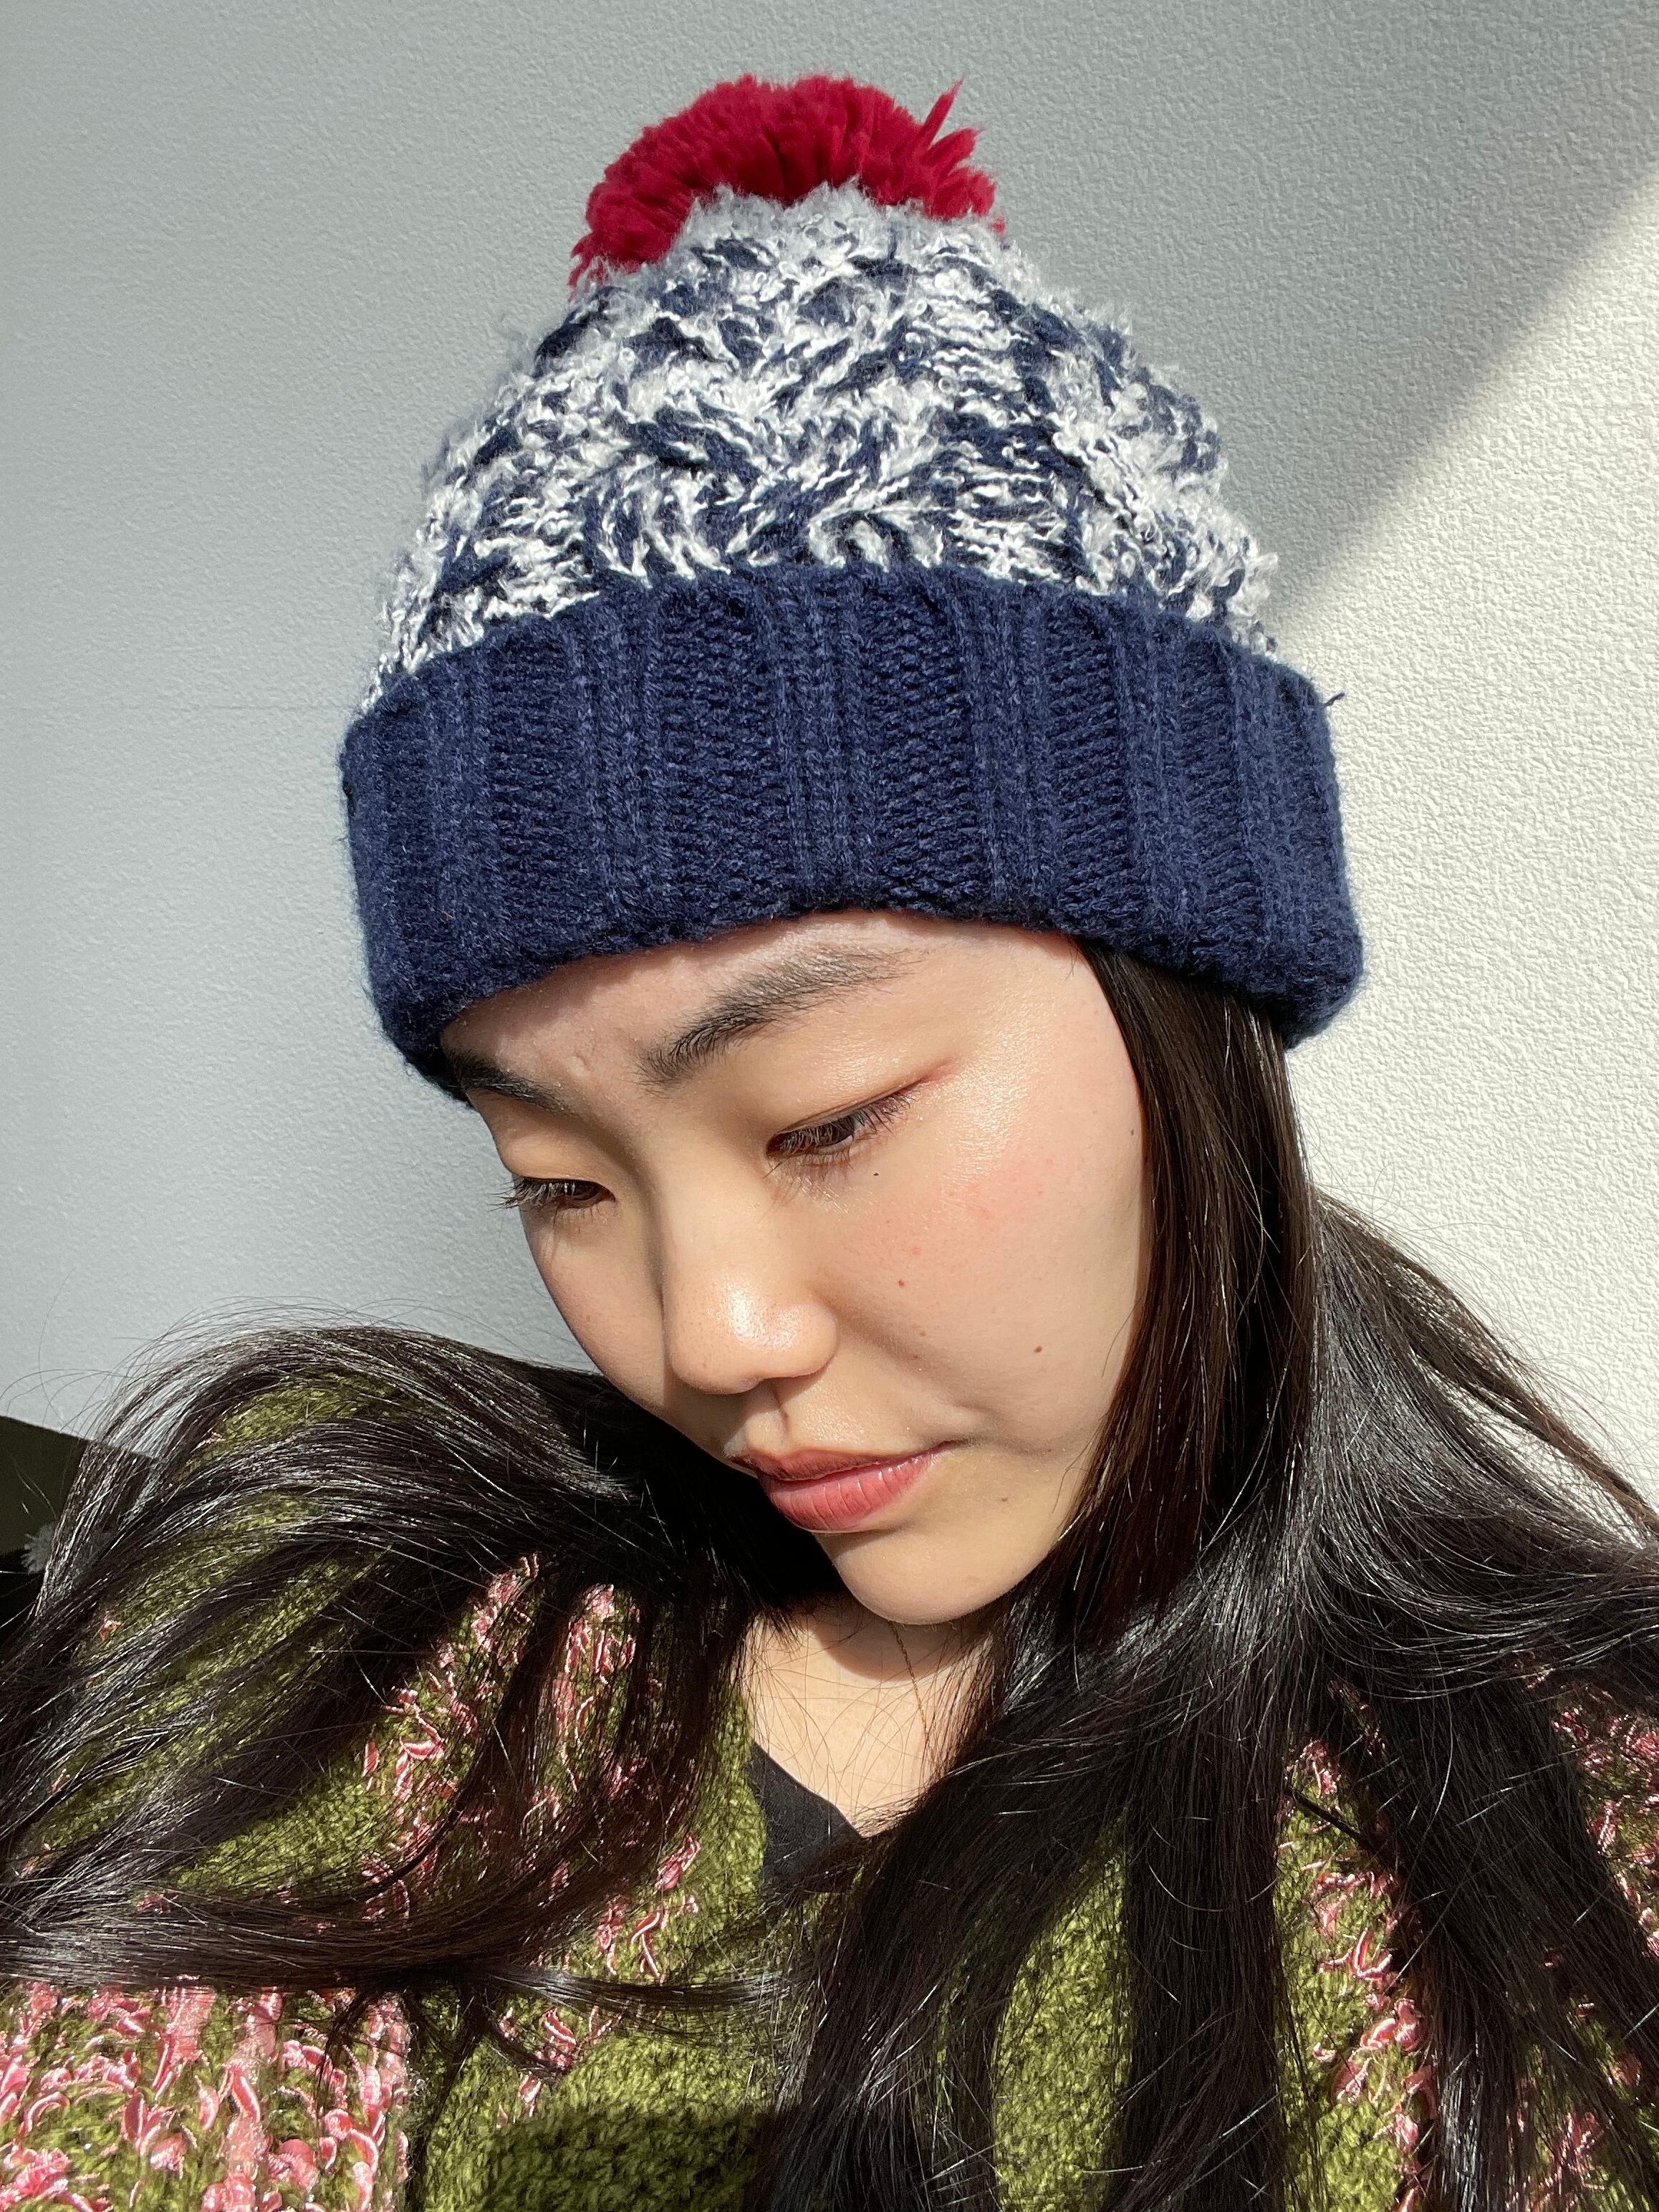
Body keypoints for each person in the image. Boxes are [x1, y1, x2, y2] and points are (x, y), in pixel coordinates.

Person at [3, 71, 1658, 2212]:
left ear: (1190, 1018)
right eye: (559, 1183)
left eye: (826, 1121)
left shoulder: (1569, 1852)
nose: (707, 1338)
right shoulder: (358, 1620)